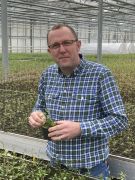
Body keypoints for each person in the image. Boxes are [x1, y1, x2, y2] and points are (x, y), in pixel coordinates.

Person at [28, 24, 128, 179]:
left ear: (78, 45)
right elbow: (39, 106)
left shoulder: (100, 75)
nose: (61, 49)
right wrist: (36, 114)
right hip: (56, 162)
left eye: (67, 43)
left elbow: (119, 120)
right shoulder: (47, 75)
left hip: (92, 168)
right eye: (55, 45)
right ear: (50, 51)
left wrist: (81, 128)